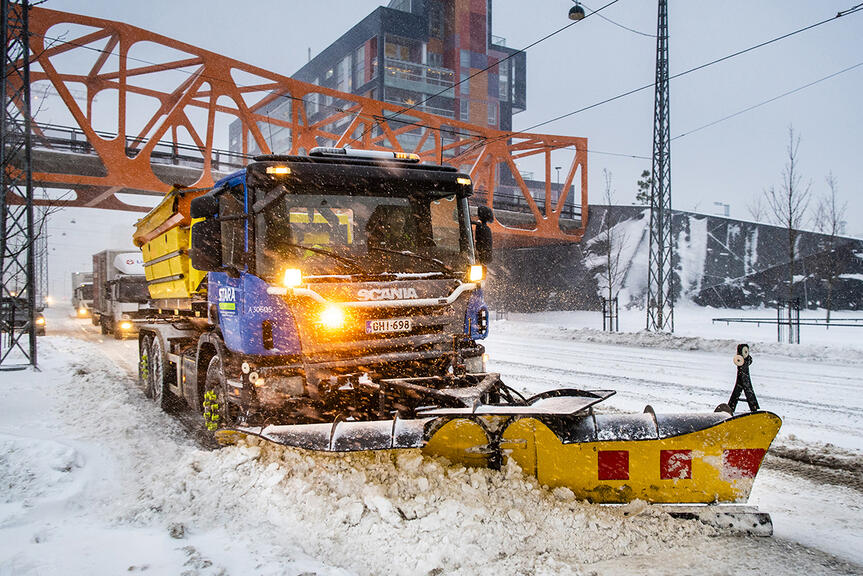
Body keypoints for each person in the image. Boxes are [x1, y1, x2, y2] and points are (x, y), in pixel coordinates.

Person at [727, 343, 760, 413]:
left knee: (742, 391)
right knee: (745, 391)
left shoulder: (746, 360)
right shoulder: (742, 360)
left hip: (744, 377)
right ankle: (753, 407)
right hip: (743, 377)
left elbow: (749, 360)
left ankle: (731, 407)